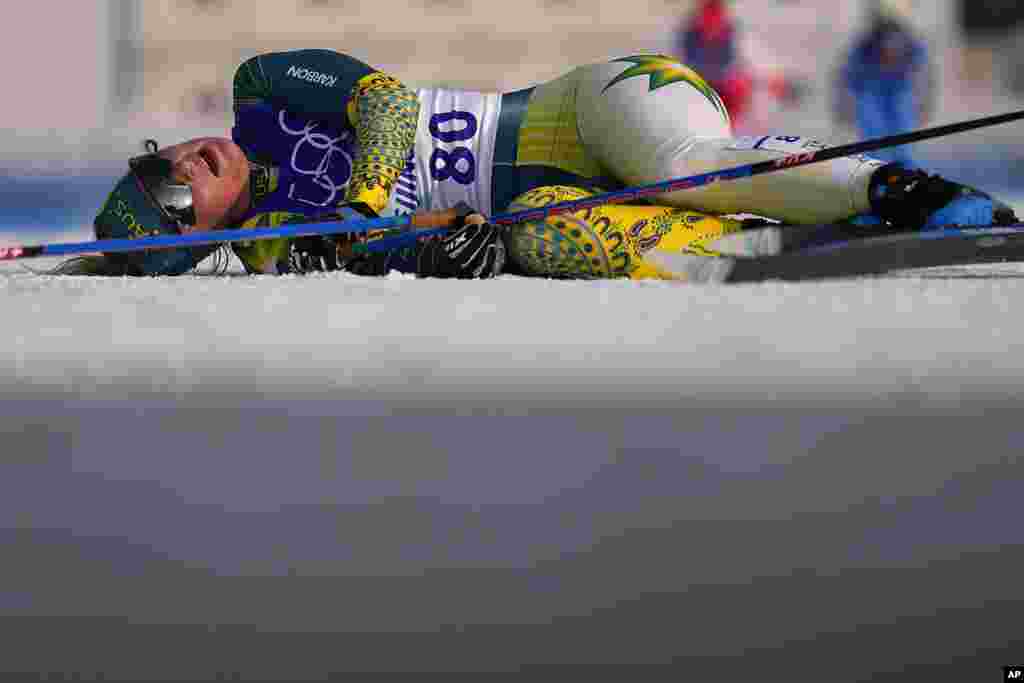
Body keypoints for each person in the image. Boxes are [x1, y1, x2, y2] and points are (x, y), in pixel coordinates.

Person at [67, 48, 1016, 280]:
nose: (185, 157)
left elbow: (385, 101)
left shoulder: (258, 90)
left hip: (603, 105)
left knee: (689, 160)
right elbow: (426, 243)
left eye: (156, 158)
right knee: (551, 236)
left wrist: (364, 197)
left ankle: (915, 193)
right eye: (171, 189)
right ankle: (783, 241)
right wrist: (454, 246)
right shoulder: (287, 246)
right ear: (189, 241)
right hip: (582, 190)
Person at [836, 0, 932, 165]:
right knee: (874, 141)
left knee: (902, 141)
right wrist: (843, 102)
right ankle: (877, 169)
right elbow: (848, 72)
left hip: (899, 92)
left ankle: (905, 172)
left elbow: (923, 72)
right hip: (871, 93)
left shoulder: (909, 41)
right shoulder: (866, 42)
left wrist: (924, 102)